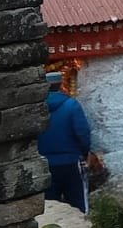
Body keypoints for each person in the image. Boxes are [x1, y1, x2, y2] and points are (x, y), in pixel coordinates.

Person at [39, 72, 91, 213]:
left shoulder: (36, 109)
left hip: (44, 164)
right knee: (78, 204)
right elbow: (83, 133)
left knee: (48, 207)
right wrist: (84, 153)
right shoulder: (71, 105)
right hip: (71, 162)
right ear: (61, 84)